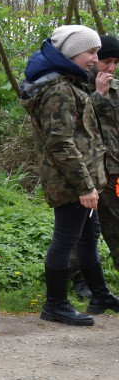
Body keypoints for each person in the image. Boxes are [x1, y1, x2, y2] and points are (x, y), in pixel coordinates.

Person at [21, 25, 119, 326]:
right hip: (71, 182)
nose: (95, 59)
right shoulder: (59, 90)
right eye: (91, 52)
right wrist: (85, 186)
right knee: (65, 240)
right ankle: (56, 304)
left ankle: (100, 294)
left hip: (84, 178)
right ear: (73, 52)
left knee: (88, 239)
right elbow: (60, 143)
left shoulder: (70, 83)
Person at [90, 35, 119, 280]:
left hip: (115, 171)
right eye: (106, 61)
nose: (111, 68)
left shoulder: (117, 90)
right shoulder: (77, 88)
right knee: (84, 229)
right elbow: (76, 125)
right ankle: (80, 279)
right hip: (89, 172)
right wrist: (99, 94)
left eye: (116, 62)